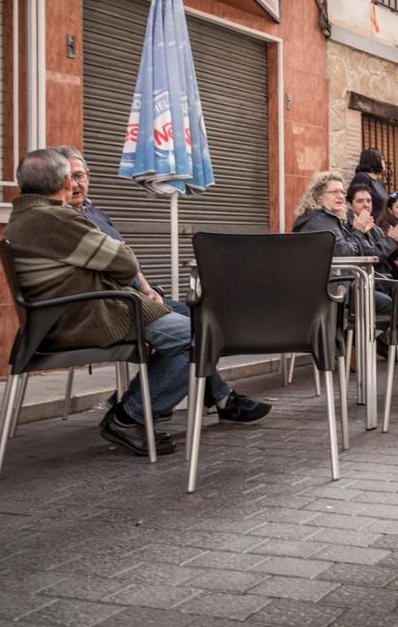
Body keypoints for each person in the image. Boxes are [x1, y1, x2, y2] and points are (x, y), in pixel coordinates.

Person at [3, 150, 252, 458]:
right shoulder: (55, 219)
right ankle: (129, 416)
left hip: (62, 316)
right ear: (66, 181)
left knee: (194, 324)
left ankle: (151, 405)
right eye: (74, 177)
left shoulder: (24, 217)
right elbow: (124, 262)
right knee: (200, 337)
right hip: (88, 316)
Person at [52, 146, 271, 426]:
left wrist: (147, 288)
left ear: (89, 176)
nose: (75, 184)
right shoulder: (64, 220)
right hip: (108, 308)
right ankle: (138, 408)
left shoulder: (94, 212)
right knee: (199, 335)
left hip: (129, 298)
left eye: (80, 175)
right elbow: (115, 263)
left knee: (204, 319)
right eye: (67, 177)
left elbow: (123, 256)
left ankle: (208, 396)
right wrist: (142, 289)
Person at [291, 171, 394, 315]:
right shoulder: (322, 221)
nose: (340, 196)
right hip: (332, 290)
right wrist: (358, 231)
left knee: (391, 289)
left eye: (342, 192)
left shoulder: (327, 219)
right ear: (318, 196)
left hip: (337, 284)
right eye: (334, 192)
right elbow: (345, 252)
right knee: (390, 302)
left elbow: (356, 249)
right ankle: (381, 338)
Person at [348, 148, 390, 221]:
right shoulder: (362, 177)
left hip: (380, 226)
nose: (384, 162)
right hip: (366, 225)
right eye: (382, 158)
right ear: (374, 160)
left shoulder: (379, 182)